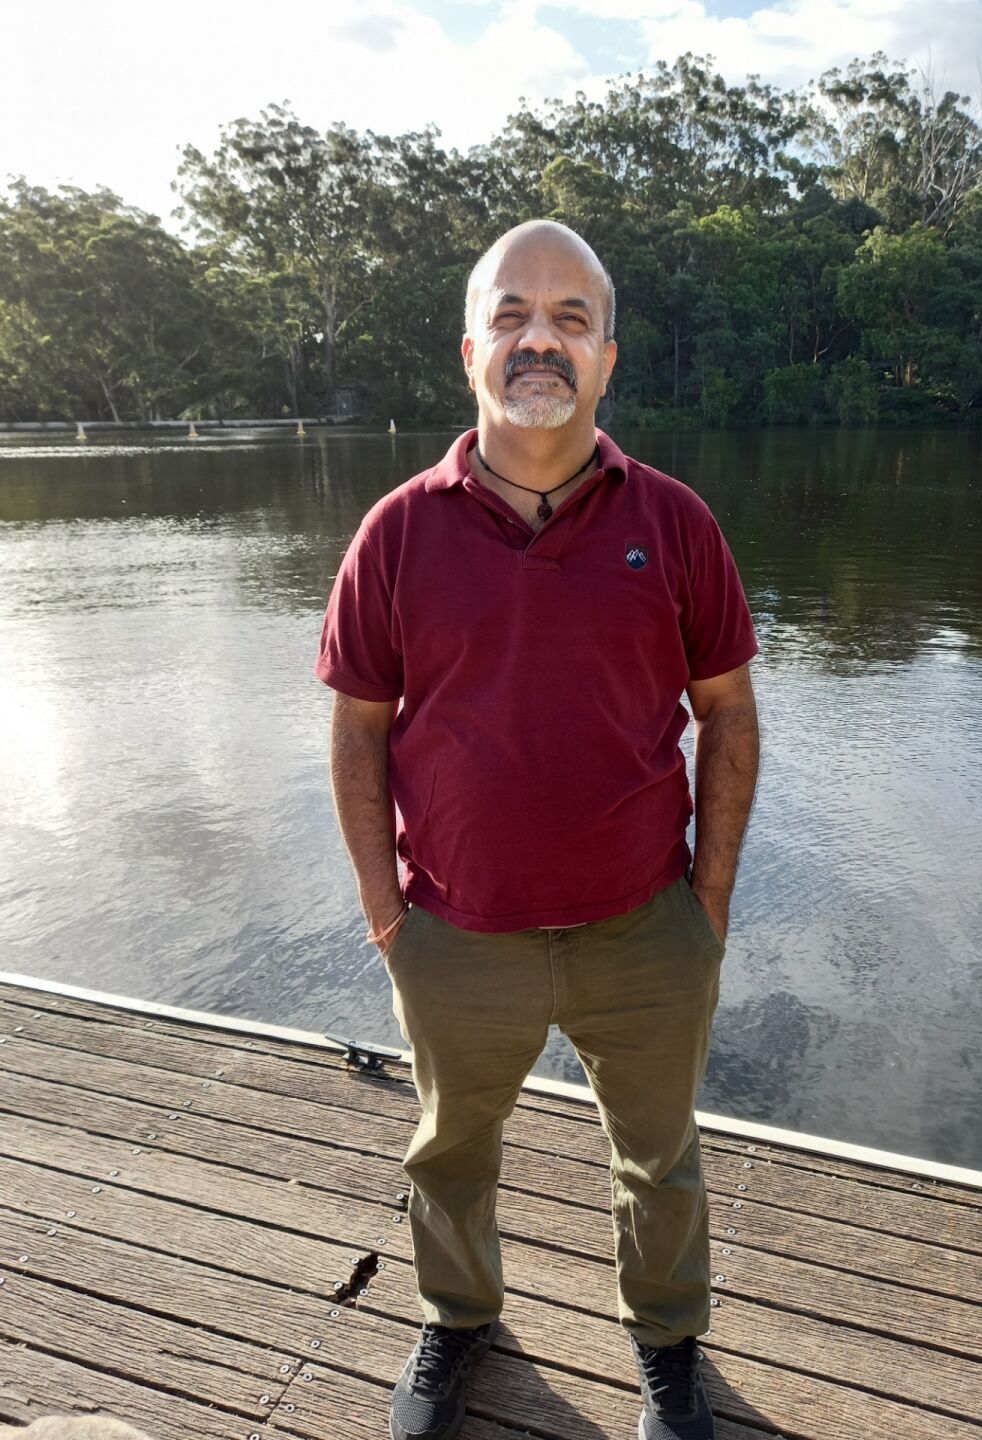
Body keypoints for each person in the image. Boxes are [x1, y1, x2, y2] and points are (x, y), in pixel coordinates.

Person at [315, 220, 760, 1440]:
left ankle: (667, 1344)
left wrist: (708, 906)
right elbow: (358, 732)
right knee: (450, 1150)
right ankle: (458, 1317)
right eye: (511, 314)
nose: (539, 339)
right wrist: (387, 914)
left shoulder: (675, 523)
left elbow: (728, 713)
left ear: (608, 357)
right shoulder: (397, 532)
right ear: (471, 352)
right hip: (456, 933)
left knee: (659, 1157)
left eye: (571, 318)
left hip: (645, 929)